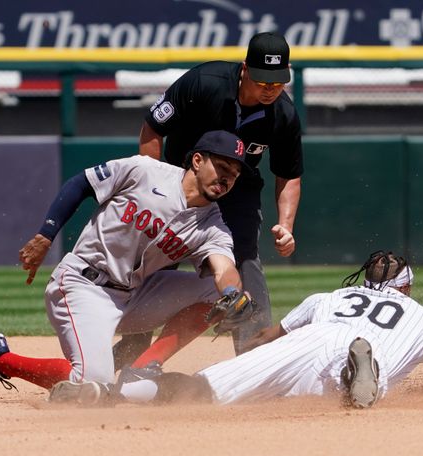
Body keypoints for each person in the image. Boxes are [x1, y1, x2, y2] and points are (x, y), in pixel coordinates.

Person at [0, 130, 254, 402]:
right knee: (92, 382)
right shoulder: (145, 171)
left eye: (235, 175)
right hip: (83, 285)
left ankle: (141, 369)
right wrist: (46, 235)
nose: (227, 179)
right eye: (222, 168)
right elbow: (82, 183)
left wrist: (232, 292)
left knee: (220, 294)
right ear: (198, 160)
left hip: (134, 295)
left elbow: (223, 268)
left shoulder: (212, 223)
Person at [49, 251, 423, 408]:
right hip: (358, 351)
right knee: (353, 390)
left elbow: (268, 337)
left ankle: (106, 395)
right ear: (405, 287)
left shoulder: (330, 297)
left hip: (304, 341)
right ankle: (357, 376)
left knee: (204, 390)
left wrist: (248, 348)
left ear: (365, 282)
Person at [116, 31, 304, 360]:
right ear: (245, 69)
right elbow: (152, 129)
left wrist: (286, 224)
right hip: (180, 182)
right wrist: (154, 187)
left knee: (243, 257)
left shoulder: (283, 114)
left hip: (238, 190)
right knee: (159, 259)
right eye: (263, 81)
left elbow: (288, 175)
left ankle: (254, 356)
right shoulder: (205, 82)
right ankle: (133, 345)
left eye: (277, 82)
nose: (270, 89)